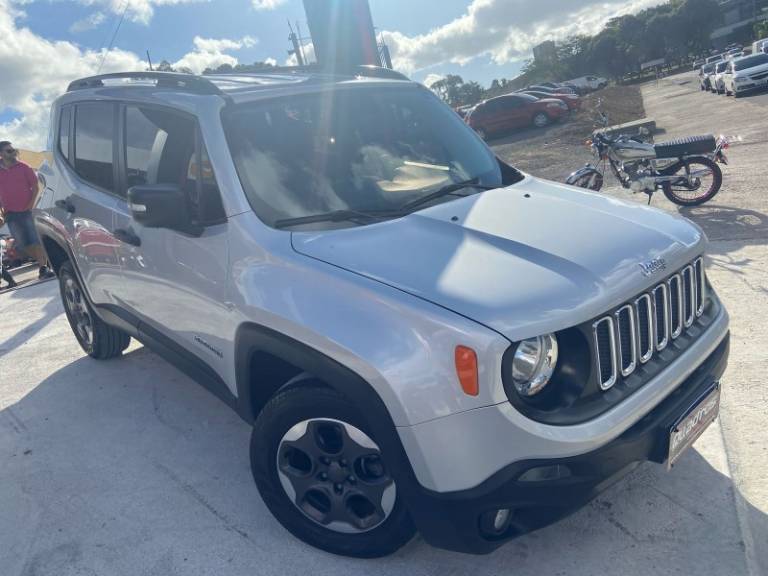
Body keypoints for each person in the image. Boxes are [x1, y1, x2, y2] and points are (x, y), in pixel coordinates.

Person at [0, 141, 53, 279]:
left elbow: (36, 187)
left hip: (28, 210)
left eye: (13, 150)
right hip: (10, 213)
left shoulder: (24, 167)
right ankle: (47, 263)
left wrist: (31, 205)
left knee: (35, 240)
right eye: (8, 151)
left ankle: (43, 267)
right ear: (1, 154)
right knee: (22, 244)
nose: (13, 153)